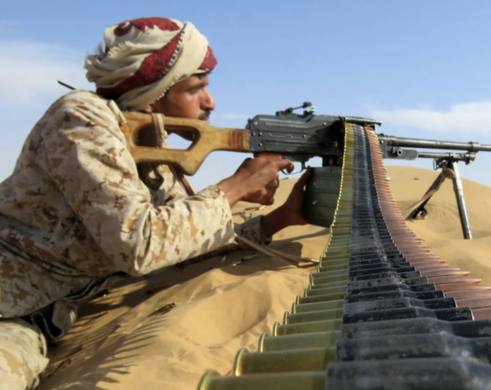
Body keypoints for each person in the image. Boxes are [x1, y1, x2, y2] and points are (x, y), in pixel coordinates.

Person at [0, 17, 310, 389]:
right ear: (153, 95)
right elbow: (140, 245)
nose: (210, 102)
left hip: (40, 317)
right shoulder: (80, 118)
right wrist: (234, 188)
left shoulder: (153, 156)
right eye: (196, 87)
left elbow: (181, 245)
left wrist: (278, 220)